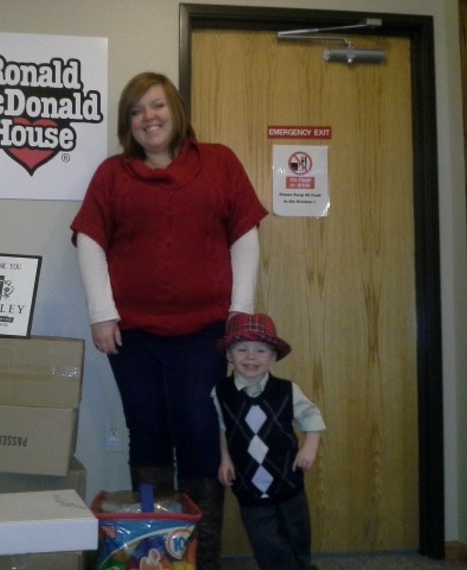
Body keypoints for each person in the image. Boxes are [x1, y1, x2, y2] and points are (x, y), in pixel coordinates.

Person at [70, 71, 268, 570]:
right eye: (136, 111)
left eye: (156, 106)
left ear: (175, 111)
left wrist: (239, 313)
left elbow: (244, 236)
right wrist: (102, 315)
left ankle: (203, 556)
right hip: (131, 334)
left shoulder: (219, 162)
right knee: (148, 431)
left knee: (199, 430)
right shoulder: (112, 175)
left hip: (205, 332)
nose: (147, 118)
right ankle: (155, 553)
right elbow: (90, 241)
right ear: (127, 123)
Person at [213, 313, 326, 570]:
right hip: (248, 481)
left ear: (273, 357)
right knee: (266, 543)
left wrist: (309, 447)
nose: (251, 357)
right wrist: (225, 460)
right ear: (229, 355)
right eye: (242, 349)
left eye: (261, 350)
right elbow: (222, 427)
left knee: (297, 534)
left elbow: (312, 417)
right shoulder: (221, 393)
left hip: (288, 477)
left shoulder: (287, 390)